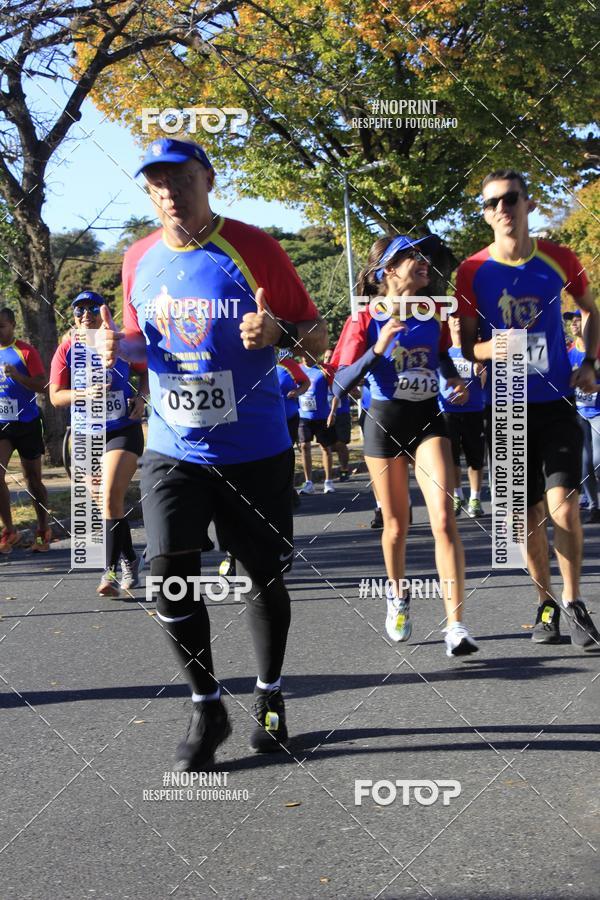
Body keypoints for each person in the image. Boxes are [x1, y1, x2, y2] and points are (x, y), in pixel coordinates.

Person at [102, 137, 327, 771]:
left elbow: (315, 336)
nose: (170, 191)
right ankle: (206, 705)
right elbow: (143, 341)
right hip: (173, 447)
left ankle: (270, 694)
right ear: (148, 190)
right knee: (166, 576)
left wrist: (279, 333)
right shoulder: (138, 259)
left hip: (254, 447)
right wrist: (117, 347)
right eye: (156, 182)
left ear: (208, 179)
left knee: (261, 573)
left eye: (181, 178)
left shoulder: (254, 247)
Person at [458, 168, 600, 650]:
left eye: (511, 198)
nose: (503, 208)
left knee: (565, 508)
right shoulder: (472, 271)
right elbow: (465, 346)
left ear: (527, 204)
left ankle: (575, 601)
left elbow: (590, 308)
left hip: (557, 403)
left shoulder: (558, 258)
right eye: (493, 202)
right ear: (485, 213)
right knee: (526, 517)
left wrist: (591, 363)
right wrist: (488, 351)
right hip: (506, 408)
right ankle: (544, 602)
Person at [332, 233, 478, 657]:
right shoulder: (364, 316)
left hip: (428, 417)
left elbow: (440, 353)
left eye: (424, 256)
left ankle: (457, 626)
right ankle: (397, 596)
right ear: (387, 270)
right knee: (397, 526)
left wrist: (451, 377)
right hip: (384, 422)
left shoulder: (431, 312)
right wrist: (377, 346)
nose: (423, 262)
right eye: (411, 255)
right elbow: (341, 381)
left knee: (444, 519)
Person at [49, 291, 147, 596]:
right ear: (73, 316)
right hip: (85, 435)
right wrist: (83, 394)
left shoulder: (121, 341)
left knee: (108, 498)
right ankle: (130, 559)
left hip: (122, 431)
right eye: (79, 309)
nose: (86, 314)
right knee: (109, 505)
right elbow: (55, 396)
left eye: (93, 308)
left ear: (104, 310)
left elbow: (147, 371)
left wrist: (142, 398)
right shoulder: (66, 349)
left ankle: (109, 573)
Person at [0, 307, 52, 553]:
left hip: (28, 423)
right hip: (2, 424)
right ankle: (9, 530)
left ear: (12, 325)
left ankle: (43, 528)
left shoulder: (25, 351)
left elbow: (43, 386)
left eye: (1, 326)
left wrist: (19, 377)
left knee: (32, 479)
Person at [439, 314, 487, 518]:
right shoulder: (443, 353)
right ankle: (457, 495)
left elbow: (487, 384)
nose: (458, 320)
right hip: (448, 412)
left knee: (475, 458)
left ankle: (475, 498)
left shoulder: (475, 350)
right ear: (448, 323)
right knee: (452, 459)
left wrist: (481, 371)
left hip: (474, 410)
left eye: (461, 317)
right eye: (453, 317)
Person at [568, 342, 600, 523]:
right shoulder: (570, 352)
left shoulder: (596, 351)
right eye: (572, 321)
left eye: (579, 320)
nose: (574, 324)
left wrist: (596, 388)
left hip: (598, 413)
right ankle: (594, 507)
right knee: (585, 463)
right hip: (580, 413)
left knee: (597, 462)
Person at [297, 352, 337, 494]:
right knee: (304, 447)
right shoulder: (297, 369)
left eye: (308, 354)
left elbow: (336, 393)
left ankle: (328, 481)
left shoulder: (324, 370)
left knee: (325, 448)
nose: (305, 357)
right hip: (303, 416)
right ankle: (309, 483)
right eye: (303, 355)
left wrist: (332, 413)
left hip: (322, 416)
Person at [323, 347, 352, 480]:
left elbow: (355, 391)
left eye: (330, 358)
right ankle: (328, 475)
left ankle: (344, 470)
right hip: (324, 413)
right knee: (328, 445)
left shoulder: (342, 374)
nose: (328, 361)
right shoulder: (321, 374)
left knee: (341, 443)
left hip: (342, 412)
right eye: (326, 358)